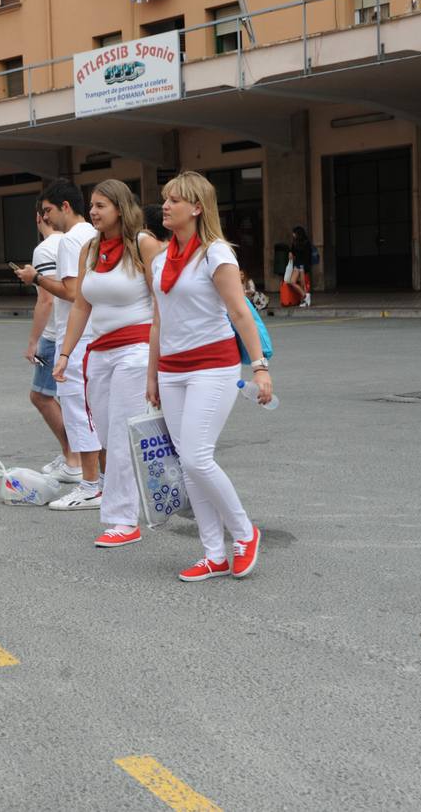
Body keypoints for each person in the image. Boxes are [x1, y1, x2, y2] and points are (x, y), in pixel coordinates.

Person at [146, 171, 269, 583]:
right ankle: (213, 553)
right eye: (164, 199)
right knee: (188, 464)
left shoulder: (217, 254)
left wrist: (260, 367)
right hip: (172, 371)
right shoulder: (161, 259)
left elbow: (238, 312)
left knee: (198, 458)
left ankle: (244, 531)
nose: (165, 206)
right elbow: (158, 323)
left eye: (175, 200)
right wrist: (152, 376)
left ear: (197, 208)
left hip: (213, 367)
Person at [53, 179, 161, 548]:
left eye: (101, 205)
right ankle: (147, 499)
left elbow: (163, 299)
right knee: (105, 433)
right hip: (98, 352)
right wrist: (66, 353)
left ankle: (122, 520)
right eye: (92, 205)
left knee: (119, 434)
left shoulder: (143, 244)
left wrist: (160, 354)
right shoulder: (89, 249)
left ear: (120, 207)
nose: (94, 212)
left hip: (136, 349)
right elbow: (81, 304)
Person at [16, 178, 102, 511]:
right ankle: (102, 482)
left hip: (76, 335)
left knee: (79, 413)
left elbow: (71, 292)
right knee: (97, 413)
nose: (47, 218)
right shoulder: (96, 236)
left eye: (49, 210)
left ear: (65, 207)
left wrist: (35, 278)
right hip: (98, 334)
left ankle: (90, 484)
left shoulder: (69, 241)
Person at [21, 201, 79, 484]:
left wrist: (33, 341)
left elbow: (46, 299)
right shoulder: (75, 240)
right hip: (73, 332)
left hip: (55, 335)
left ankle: (73, 457)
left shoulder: (45, 249)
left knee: (41, 396)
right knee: (68, 399)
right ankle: (74, 455)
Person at [286, 225, 313, 307]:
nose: (293, 234)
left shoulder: (306, 243)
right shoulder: (295, 242)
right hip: (297, 264)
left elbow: (308, 256)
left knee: (303, 283)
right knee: (291, 281)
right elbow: (292, 250)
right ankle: (305, 296)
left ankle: (305, 300)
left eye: (294, 233)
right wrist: (290, 252)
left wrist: (304, 267)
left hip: (303, 265)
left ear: (298, 233)